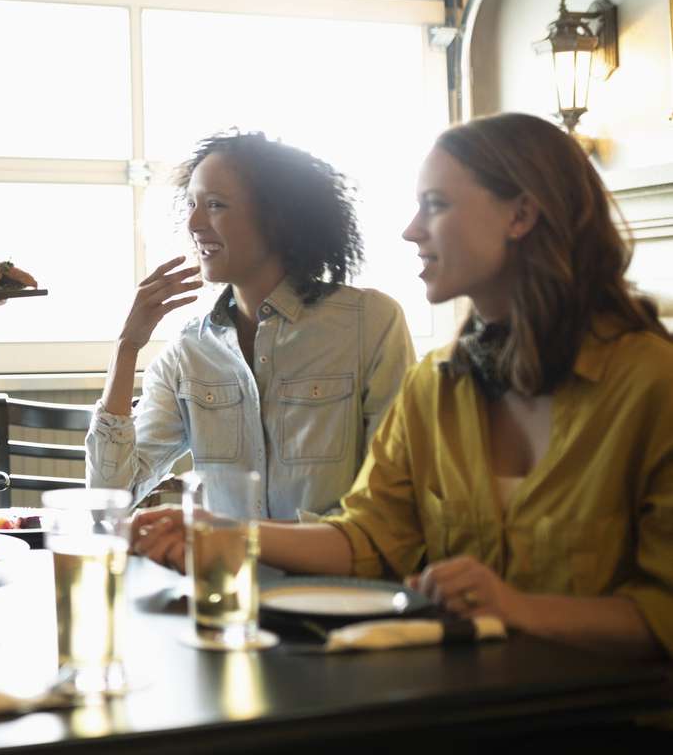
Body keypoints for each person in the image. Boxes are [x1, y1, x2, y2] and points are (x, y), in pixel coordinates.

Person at [132, 113, 673, 661]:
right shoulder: (437, 387)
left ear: (521, 214)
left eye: (436, 205)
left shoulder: (653, 384)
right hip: (459, 706)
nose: (412, 229)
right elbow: (368, 538)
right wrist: (216, 533)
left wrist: (516, 607)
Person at [87, 131, 415, 519]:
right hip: (224, 578)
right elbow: (108, 501)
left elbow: (394, 501)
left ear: (277, 219)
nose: (193, 223)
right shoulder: (187, 353)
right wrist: (126, 349)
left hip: (334, 578)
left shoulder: (370, 324)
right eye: (191, 204)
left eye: (215, 205)